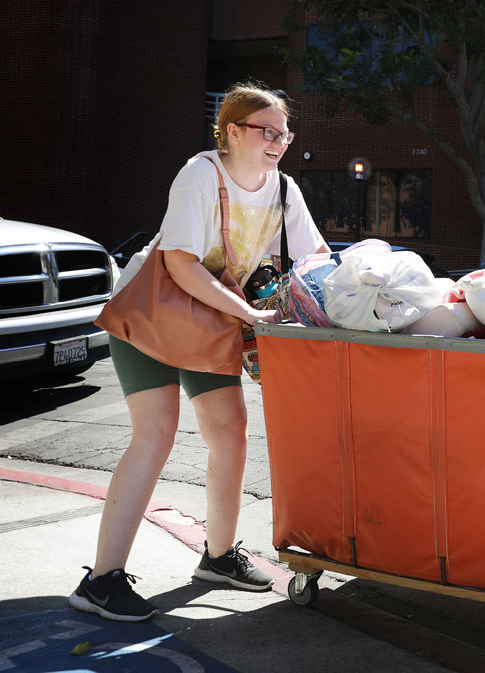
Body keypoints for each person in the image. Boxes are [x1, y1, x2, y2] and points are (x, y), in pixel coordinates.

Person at [68, 83, 331, 622]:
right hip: (152, 313)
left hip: (210, 319)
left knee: (231, 432)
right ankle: (100, 581)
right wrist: (251, 315)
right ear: (232, 132)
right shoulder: (200, 173)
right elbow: (182, 264)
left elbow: (317, 257)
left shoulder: (283, 189)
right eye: (268, 131)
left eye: (285, 133)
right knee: (156, 433)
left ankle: (218, 558)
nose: (279, 141)